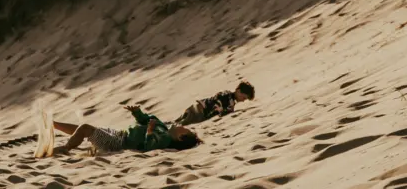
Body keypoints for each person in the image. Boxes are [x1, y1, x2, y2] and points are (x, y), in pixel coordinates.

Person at [51, 105, 200, 156]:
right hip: (119, 133)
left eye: (185, 130)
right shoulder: (163, 127)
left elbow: (148, 147)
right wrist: (137, 113)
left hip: (119, 143)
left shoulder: (165, 139)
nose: (183, 126)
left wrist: (149, 131)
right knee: (85, 129)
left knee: (85, 128)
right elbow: (145, 119)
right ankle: (53, 125)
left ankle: (66, 148)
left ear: (180, 138)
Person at [173, 81, 255, 126]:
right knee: (176, 126)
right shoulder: (229, 99)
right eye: (244, 97)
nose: (244, 100)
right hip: (199, 112)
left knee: (174, 124)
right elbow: (216, 105)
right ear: (238, 91)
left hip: (196, 107)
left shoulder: (228, 95)